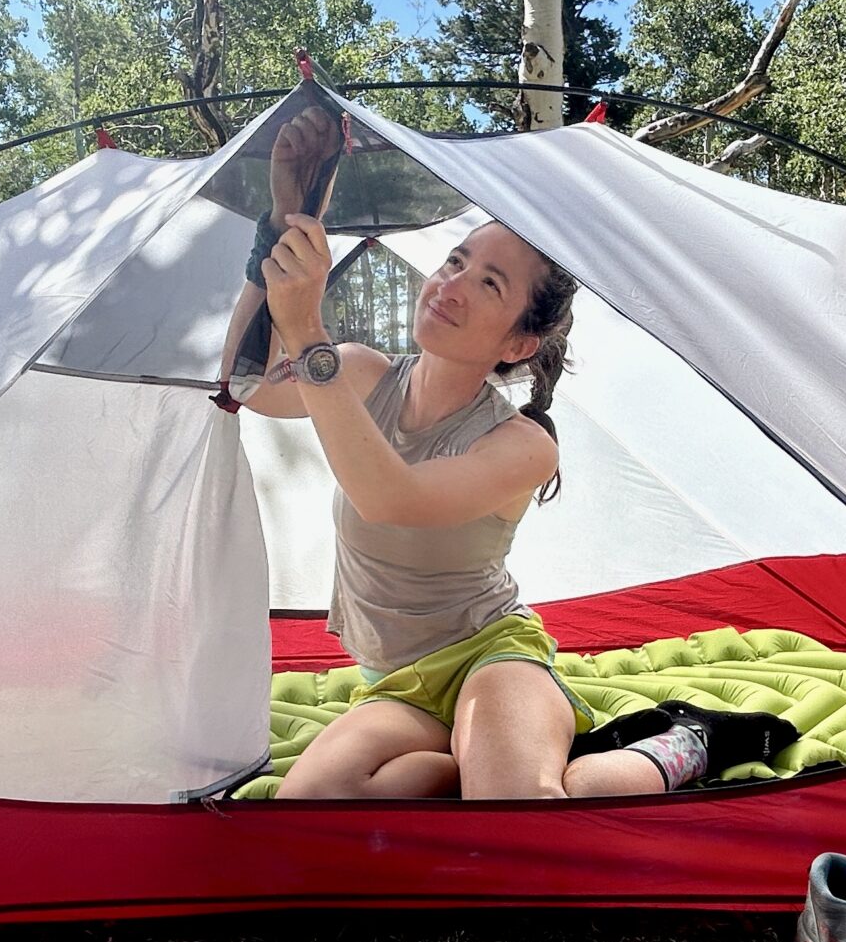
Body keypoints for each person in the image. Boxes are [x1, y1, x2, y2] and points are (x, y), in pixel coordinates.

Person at [237, 106, 710, 800]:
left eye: (489, 283)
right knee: (305, 809)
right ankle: (457, 762)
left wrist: (307, 328)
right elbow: (245, 384)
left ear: (518, 344)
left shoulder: (521, 446)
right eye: (456, 261)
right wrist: (281, 225)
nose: (452, 284)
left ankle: (683, 744)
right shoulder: (361, 373)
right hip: (393, 683)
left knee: (516, 807)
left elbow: (391, 498)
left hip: (491, 655)